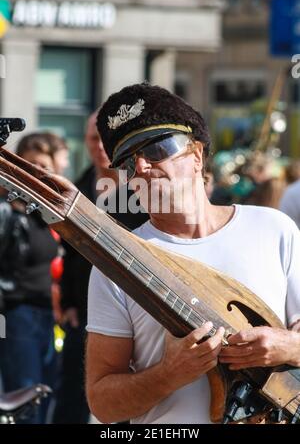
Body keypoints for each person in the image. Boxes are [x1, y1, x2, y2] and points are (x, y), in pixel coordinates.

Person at [85, 83, 300, 424]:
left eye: (157, 149)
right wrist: (169, 374)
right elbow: (102, 404)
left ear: (197, 154)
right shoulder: (117, 265)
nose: (141, 167)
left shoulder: (275, 230)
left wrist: (288, 346)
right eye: (127, 163)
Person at [52, 112, 148, 424]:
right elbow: (69, 253)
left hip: (134, 311)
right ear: (86, 142)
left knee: (126, 400)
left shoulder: (142, 191)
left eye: (107, 140)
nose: (101, 147)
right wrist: (67, 302)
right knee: (73, 397)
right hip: (84, 310)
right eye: (94, 139)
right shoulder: (76, 188)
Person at [0, 133, 59, 424]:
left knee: (45, 395)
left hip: (46, 315)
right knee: (26, 402)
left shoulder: (45, 215)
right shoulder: (7, 212)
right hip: (17, 315)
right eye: (32, 164)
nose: (39, 172)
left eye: (45, 166)